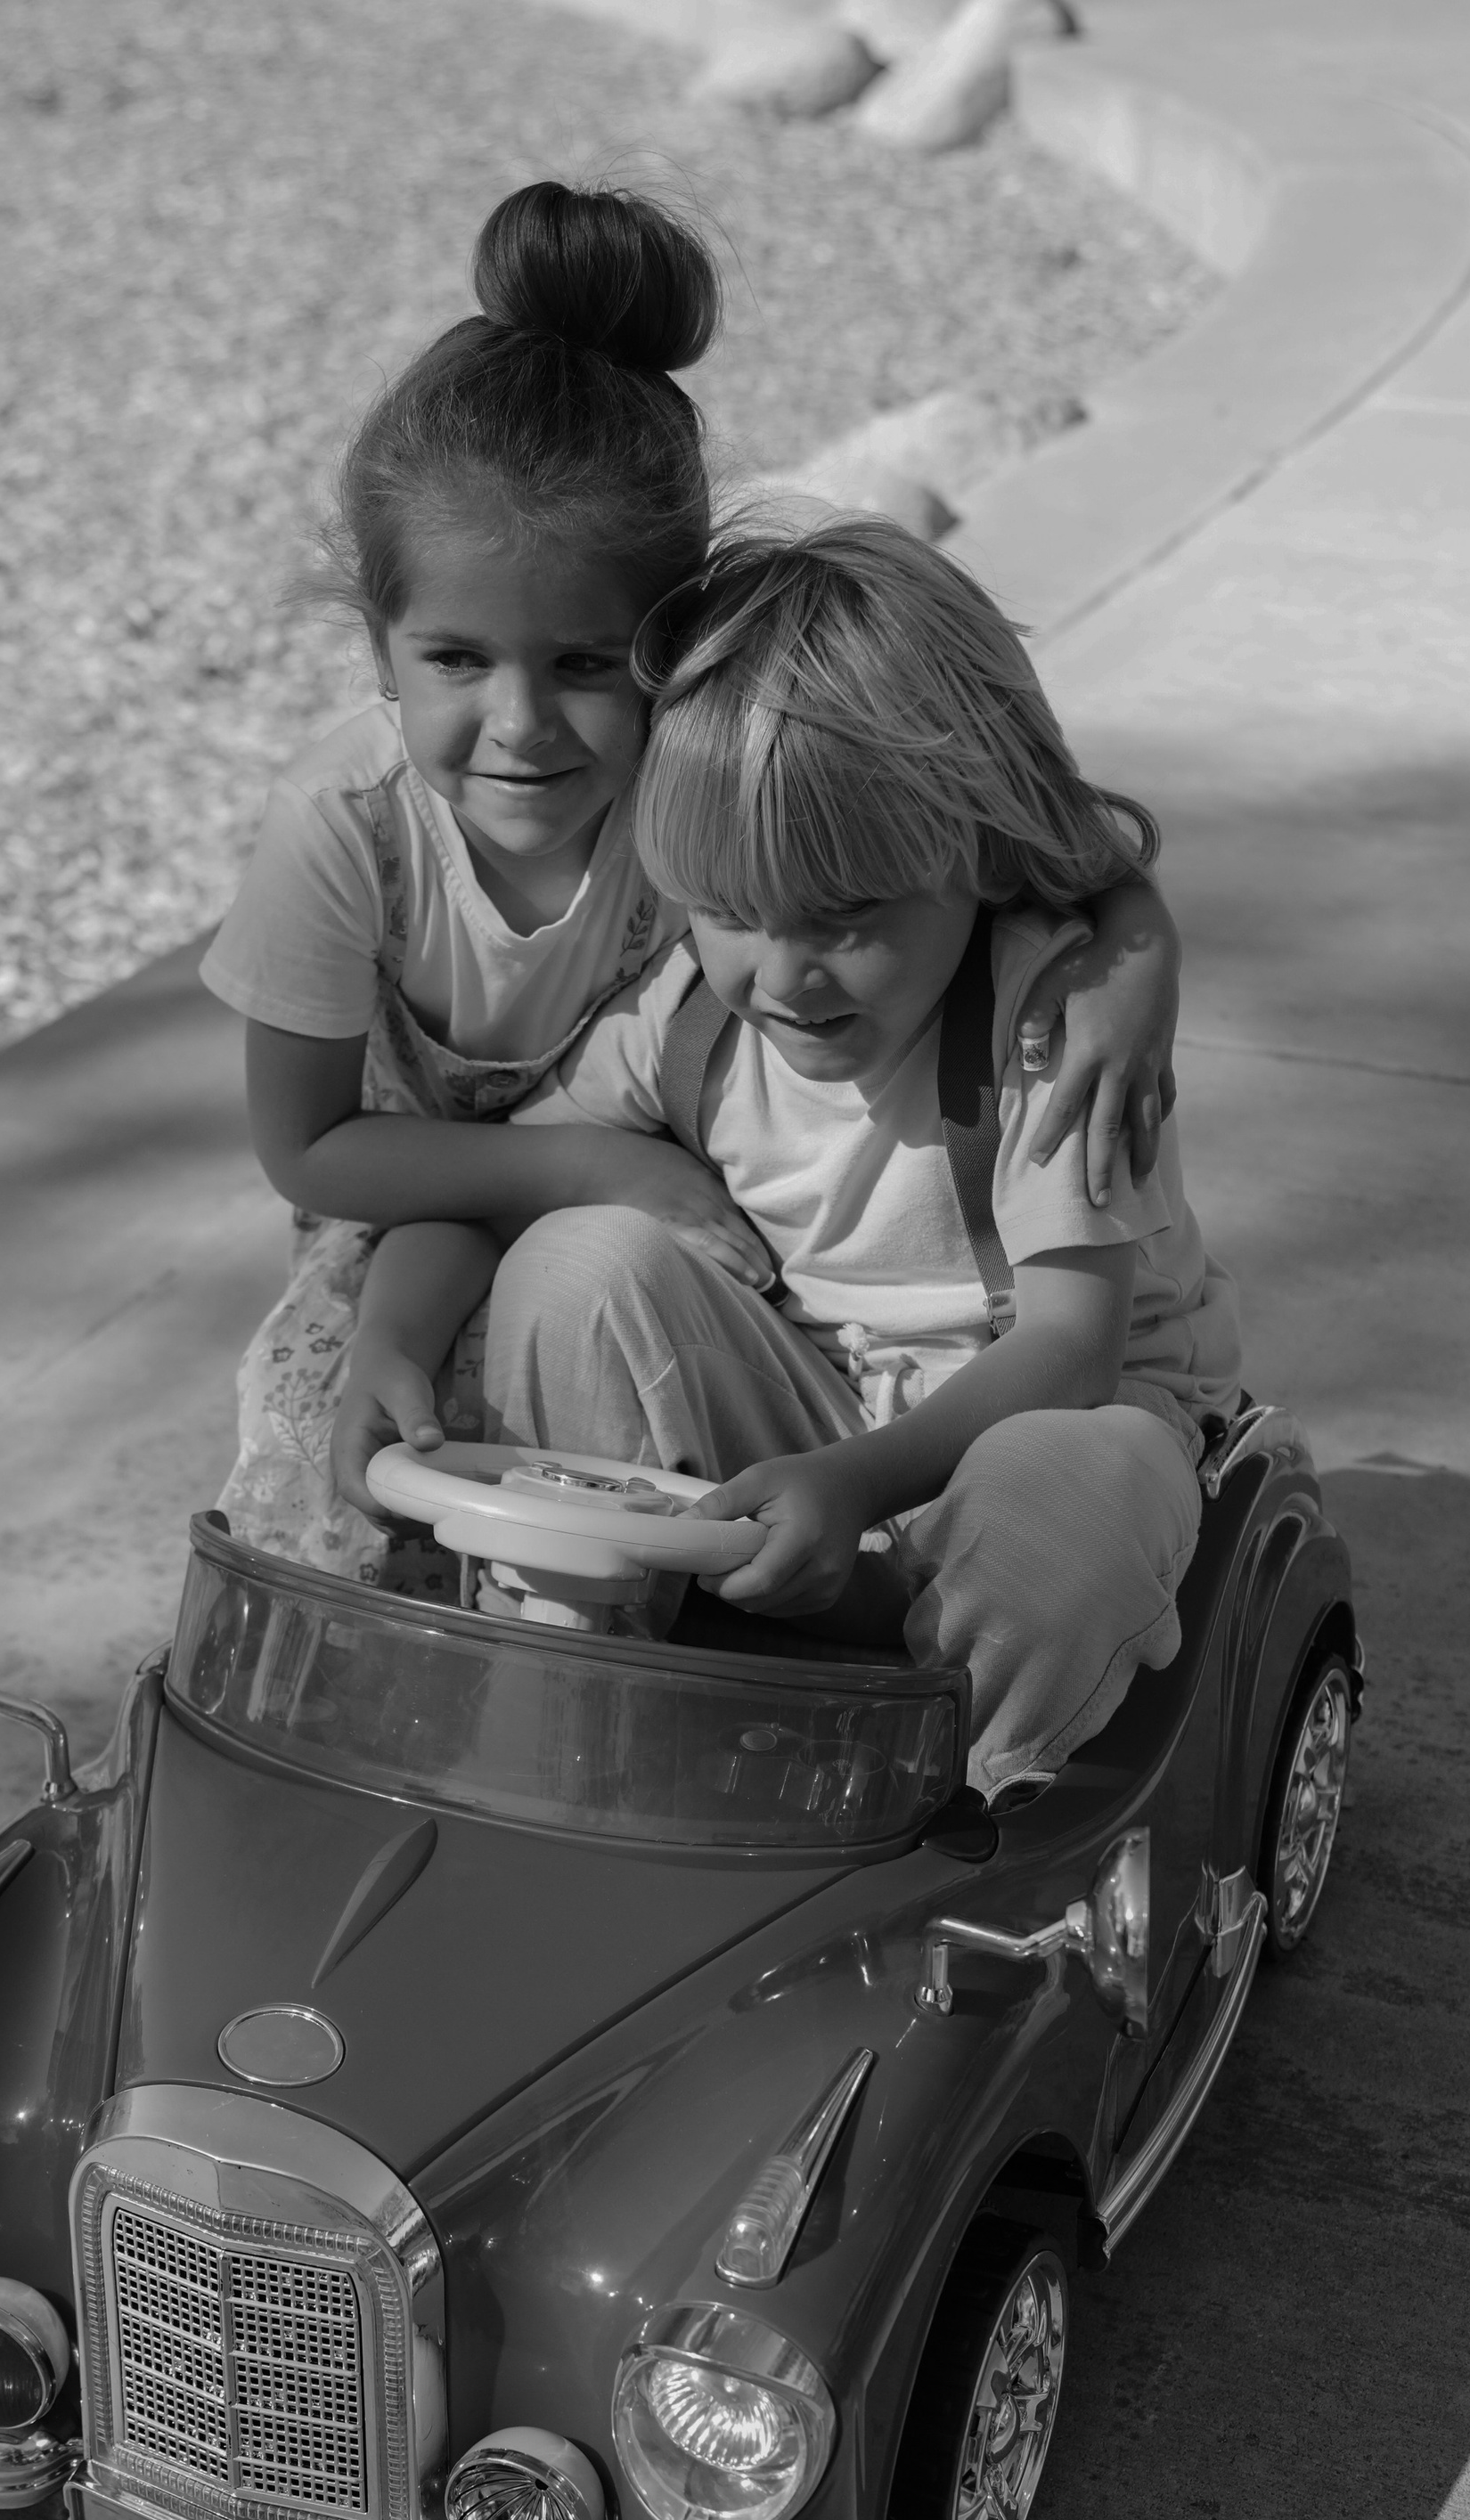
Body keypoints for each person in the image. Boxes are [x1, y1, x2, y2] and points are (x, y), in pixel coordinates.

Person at [205, 181, 1187, 1583]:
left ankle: (653, 1648)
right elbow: (308, 1149)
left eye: (588, 666)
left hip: (706, 1231)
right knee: (351, 1467)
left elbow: (1045, 849)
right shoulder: (344, 829)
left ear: (675, 648)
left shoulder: (719, 779)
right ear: (379, 645)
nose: (526, 725)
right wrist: (591, 1162)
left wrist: (1133, 960)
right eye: (457, 659)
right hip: (436, 1207)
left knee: (584, 1380)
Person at [405, 519, 1245, 1802]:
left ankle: (960, 1804)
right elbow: (496, 1168)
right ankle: (579, 1701)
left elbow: (1073, 1348)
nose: (782, 977)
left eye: (846, 924)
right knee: (576, 1256)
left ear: (972, 849)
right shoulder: (691, 1019)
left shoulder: (1046, 1021)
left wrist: (850, 1483)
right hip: (821, 1454)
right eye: (733, 912)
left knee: (1059, 1492)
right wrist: (389, 1347)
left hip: (1049, 1431)